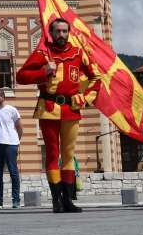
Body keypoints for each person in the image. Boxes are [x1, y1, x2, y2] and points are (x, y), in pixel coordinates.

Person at [17, 18, 101, 213]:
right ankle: (57, 200)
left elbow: (96, 77)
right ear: (51, 33)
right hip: (48, 108)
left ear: (68, 33)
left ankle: (68, 200)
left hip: (71, 109)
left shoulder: (79, 53)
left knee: (69, 154)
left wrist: (85, 98)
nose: (61, 35)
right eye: (58, 31)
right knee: (53, 154)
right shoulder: (42, 53)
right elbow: (20, 76)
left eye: (64, 31)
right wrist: (43, 72)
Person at [0, 89, 23, 208]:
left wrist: (16, 141)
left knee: (13, 172)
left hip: (11, 144)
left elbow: (19, 127)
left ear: (2, 97)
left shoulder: (12, 110)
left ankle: (16, 200)